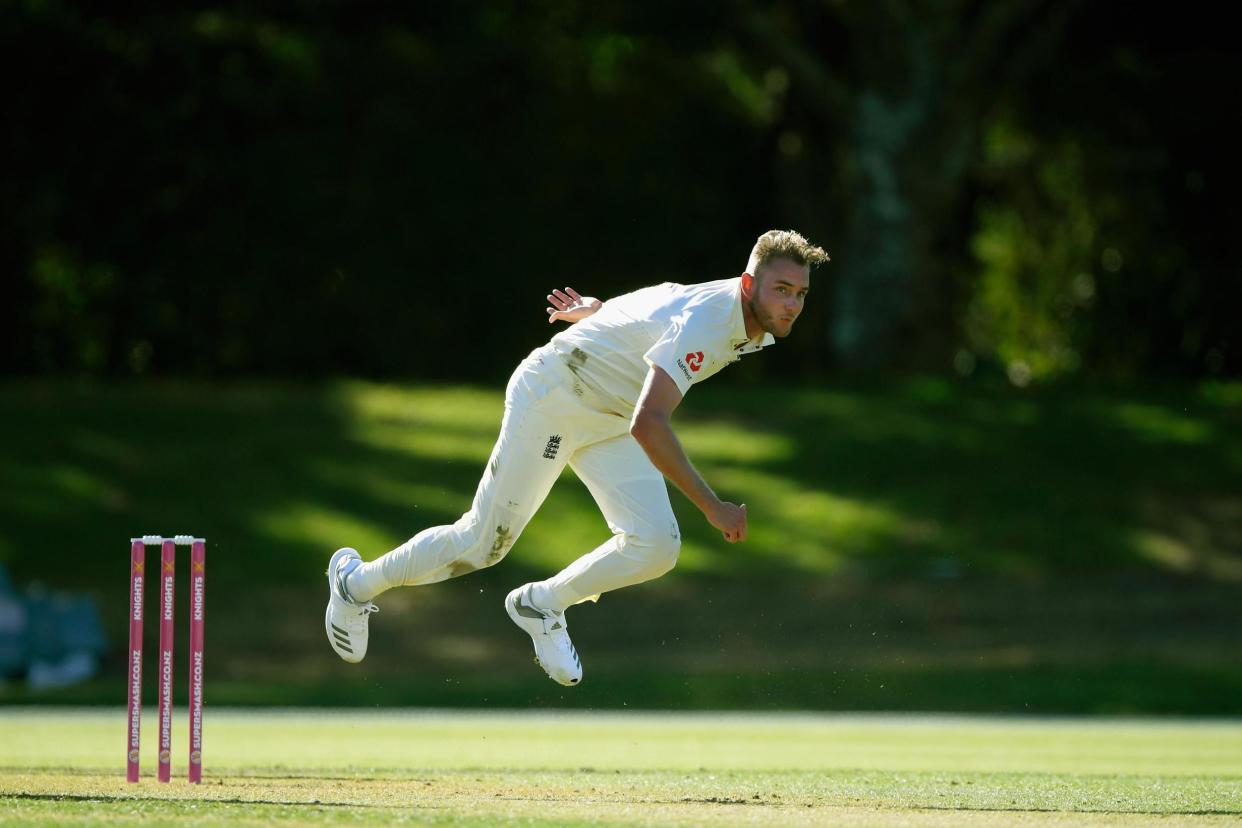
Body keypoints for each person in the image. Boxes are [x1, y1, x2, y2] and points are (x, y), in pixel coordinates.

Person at [324, 229, 829, 685]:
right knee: (484, 543)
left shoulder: (752, 324)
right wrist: (712, 506)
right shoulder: (712, 320)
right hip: (556, 395)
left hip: (610, 415)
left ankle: (541, 605)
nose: (791, 305)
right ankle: (354, 584)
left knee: (655, 545)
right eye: (780, 290)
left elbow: (663, 303)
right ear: (748, 283)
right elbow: (650, 423)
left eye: (800, 293)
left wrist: (604, 317)